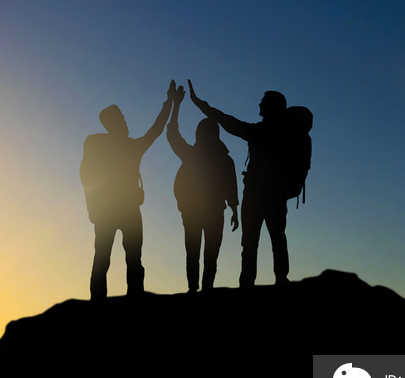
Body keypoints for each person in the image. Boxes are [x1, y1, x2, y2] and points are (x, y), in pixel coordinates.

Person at [187, 80, 292, 287]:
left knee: (252, 242)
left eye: (263, 102)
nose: (259, 105)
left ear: (271, 106)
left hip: (256, 195)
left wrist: (200, 104)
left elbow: (228, 122)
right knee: (276, 238)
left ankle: (248, 283)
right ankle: (280, 279)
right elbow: (229, 122)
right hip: (275, 195)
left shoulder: (260, 132)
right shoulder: (285, 134)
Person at [80, 81, 176, 300]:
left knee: (129, 258)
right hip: (111, 210)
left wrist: (169, 103)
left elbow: (156, 130)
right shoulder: (100, 145)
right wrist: (92, 206)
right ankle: (104, 302)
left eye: (124, 118)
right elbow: (86, 175)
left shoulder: (130, 146)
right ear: (112, 123)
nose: (125, 122)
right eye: (121, 119)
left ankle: (130, 299)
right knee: (107, 259)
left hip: (125, 210)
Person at [166, 85, 239, 293]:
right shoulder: (218, 159)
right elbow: (173, 135)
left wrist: (176, 105)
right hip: (204, 211)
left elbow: (172, 135)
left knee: (200, 253)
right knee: (203, 254)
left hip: (206, 211)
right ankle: (198, 289)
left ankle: (198, 289)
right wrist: (234, 210)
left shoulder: (199, 156)